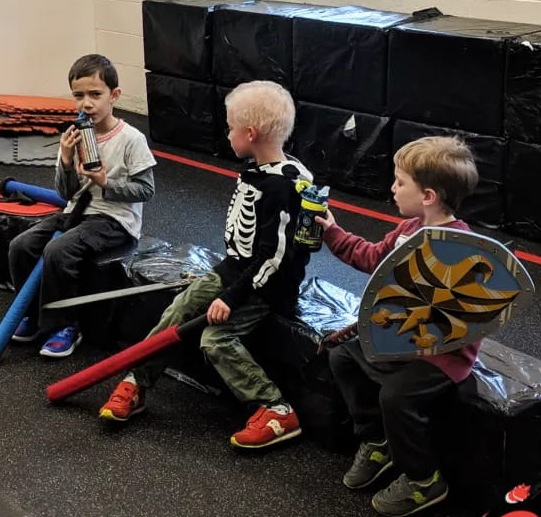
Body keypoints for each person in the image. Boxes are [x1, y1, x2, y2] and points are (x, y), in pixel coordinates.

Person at [98, 81, 312, 449]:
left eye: (230, 128)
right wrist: (224, 283)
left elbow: (274, 258)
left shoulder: (284, 186)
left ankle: (274, 406)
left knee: (216, 339)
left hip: (267, 286)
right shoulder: (258, 168)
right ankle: (137, 381)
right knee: (179, 308)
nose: (227, 135)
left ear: (250, 133)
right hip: (236, 268)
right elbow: (245, 251)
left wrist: (230, 297)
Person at [317, 136, 479, 517]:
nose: (392, 188)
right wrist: (332, 232)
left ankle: (424, 481)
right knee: (342, 357)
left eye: (399, 182)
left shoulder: (463, 248)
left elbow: (470, 313)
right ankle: (377, 442)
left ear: (428, 196)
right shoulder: (408, 230)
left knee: (396, 396)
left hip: (442, 354)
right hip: (398, 337)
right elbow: (373, 257)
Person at [8, 54, 156, 357]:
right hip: (75, 212)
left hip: (115, 219)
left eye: (95, 94)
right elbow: (65, 193)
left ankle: (66, 325)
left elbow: (147, 190)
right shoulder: (75, 135)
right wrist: (64, 160)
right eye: (79, 95)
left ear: (114, 95)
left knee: (58, 250)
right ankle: (33, 313)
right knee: (20, 246)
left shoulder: (132, 139)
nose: (86, 103)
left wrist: (105, 182)